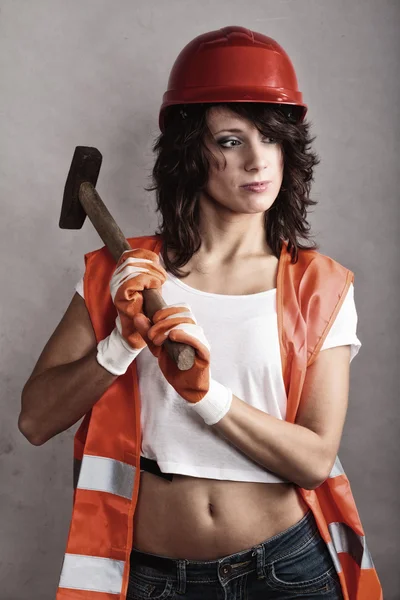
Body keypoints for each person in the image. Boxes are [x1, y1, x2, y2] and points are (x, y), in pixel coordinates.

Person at [19, 26, 382, 600]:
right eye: (232, 141)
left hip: (285, 572)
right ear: (193, 152)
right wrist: (118, 348)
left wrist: (206, 396)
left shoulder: (319, 285)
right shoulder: (122, 277)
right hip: (152, 576)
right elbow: (34, 421)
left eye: (271, 137)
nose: (258, 160)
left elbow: (314, 459)